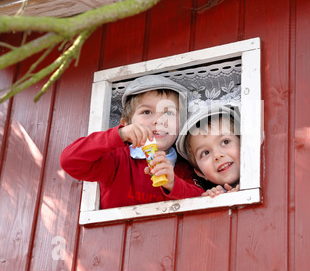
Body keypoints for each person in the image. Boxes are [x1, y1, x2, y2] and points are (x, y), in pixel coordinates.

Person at [60, 75, 204, 209]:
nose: (159, 120)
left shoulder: (185, 169)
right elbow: (70, 161)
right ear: (127, 123)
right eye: (147, 112)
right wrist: (120, 135)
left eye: (169, 112)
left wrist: (172, 184)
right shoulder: (116, 159)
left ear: (181, 125)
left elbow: (202, 201)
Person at [176, 104, 241, 198]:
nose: (217, 155)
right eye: (205, 153)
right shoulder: (213, 195)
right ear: (200, 173)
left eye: (225, 142)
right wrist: (216, 200)